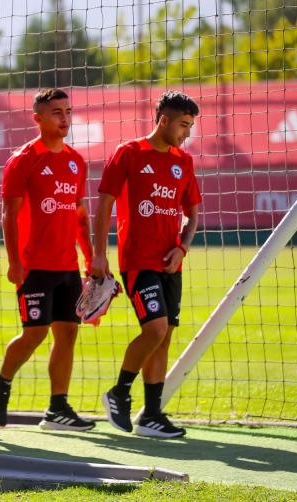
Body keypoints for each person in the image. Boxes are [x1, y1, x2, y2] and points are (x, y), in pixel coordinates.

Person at [0, 88, 96, 431]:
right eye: (56, 112)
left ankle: (57, 408)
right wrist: (14, 261)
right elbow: (8, 214)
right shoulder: (23, 159)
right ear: (38, 119)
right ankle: (0, 383)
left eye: (67, 111)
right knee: (34, 333)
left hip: (68, 267)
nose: (64, 118)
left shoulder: (76, 161)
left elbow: (79, 214)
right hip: (34, 266)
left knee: (67, 335)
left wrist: (91, 259)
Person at [92, 90, 201, 438]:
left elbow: (193, 213)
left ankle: (152, 415)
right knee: (154, 329)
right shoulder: (128, 153)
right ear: (164, 120)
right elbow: (105, 204)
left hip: (171, 263)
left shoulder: (183, 161)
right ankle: (119, 392)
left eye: (191, 126)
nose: (187, 132)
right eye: (183, 124)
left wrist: (182, 248)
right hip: (138, 260)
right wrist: (98, 253)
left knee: (165, 335)